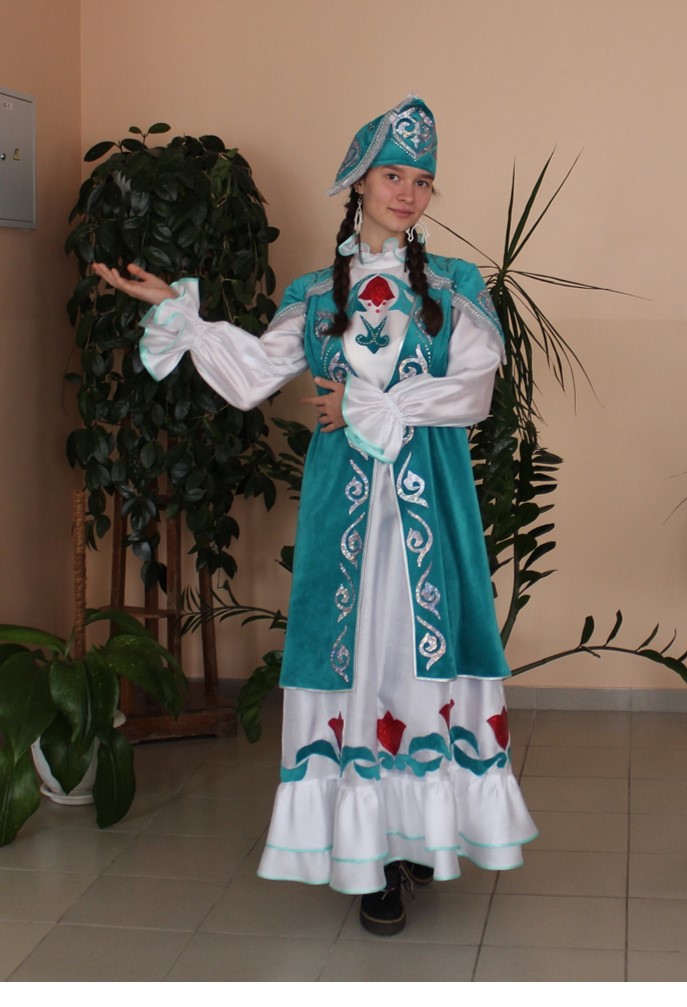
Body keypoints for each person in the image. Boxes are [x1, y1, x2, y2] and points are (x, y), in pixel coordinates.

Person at [93, 94, 536, 937]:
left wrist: (367, 406)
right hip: (347, 516)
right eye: (392, 175)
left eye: (422, 181)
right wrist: (178, 312)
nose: (408, 193)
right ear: (357, 181)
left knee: (419, 664)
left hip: (431, 514)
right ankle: (371, 856)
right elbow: (253, 373)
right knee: (358, 661)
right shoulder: (311, 293)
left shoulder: (456, 287)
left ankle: (419, 838)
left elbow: (472, 390)